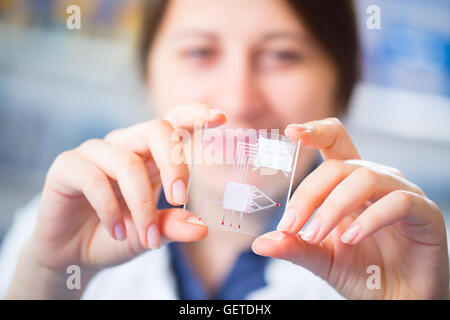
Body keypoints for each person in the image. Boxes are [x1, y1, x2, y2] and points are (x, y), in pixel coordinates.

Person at [2, 0, 449, 299]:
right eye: (200, 51)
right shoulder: (53, 235)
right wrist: (46, 279)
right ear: (147, 76)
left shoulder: (419, 264)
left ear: (343, 86)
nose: (239, 101)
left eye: (282, 55)